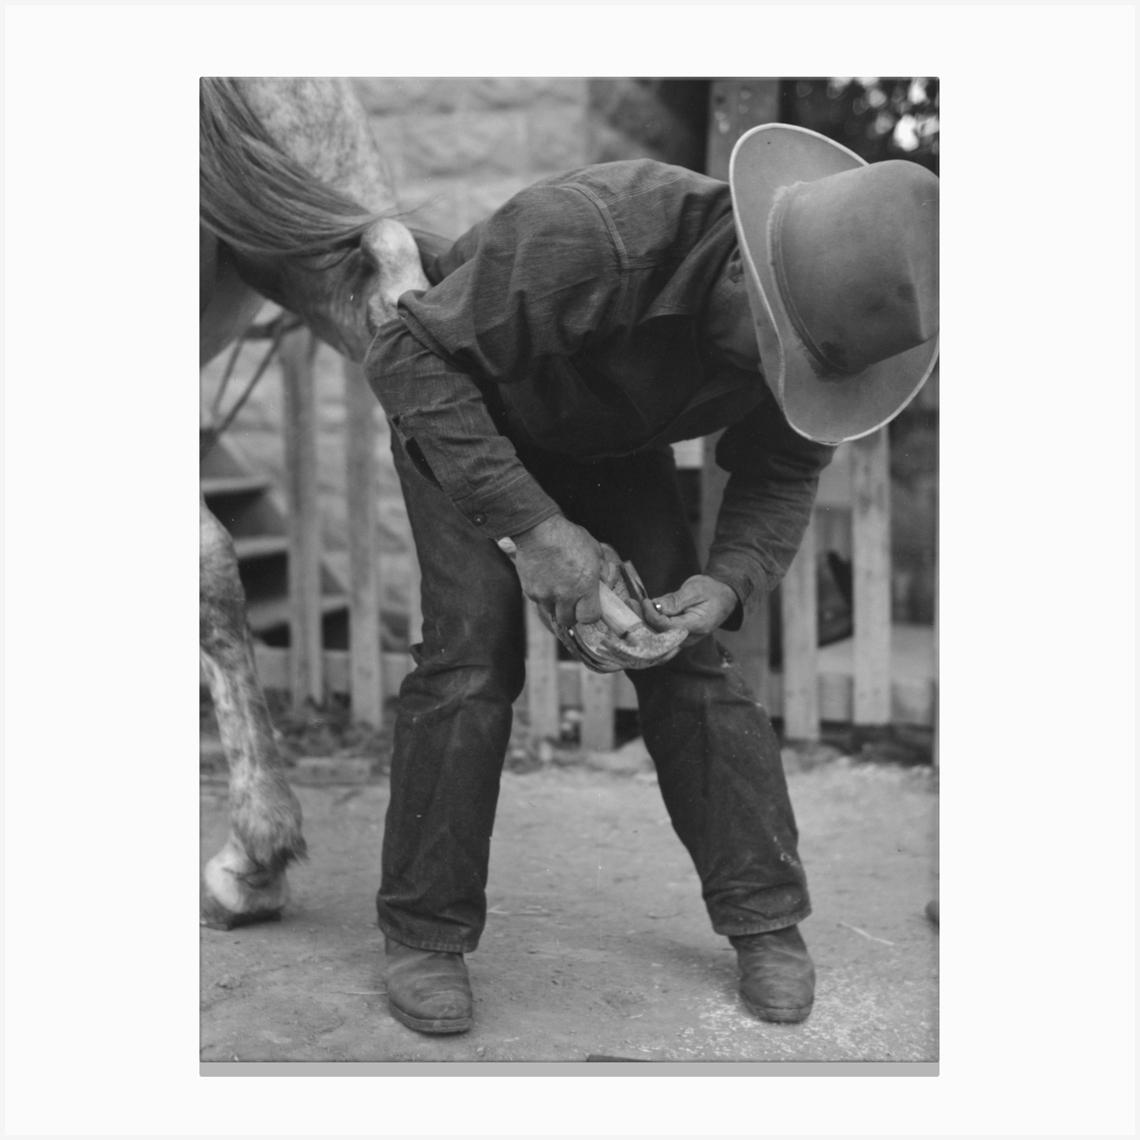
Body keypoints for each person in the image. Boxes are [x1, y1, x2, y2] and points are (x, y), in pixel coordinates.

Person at [364, 124, 939, 1035]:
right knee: (470, 662)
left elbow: (783, 469)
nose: (777, 380)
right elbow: (405, 359)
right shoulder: (592, 234)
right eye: (773, 353)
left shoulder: (829, 325)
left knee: (691, 661)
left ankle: (766, 921)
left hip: (606, 440)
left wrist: (726, 584)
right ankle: (425, 933)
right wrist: (538, 531)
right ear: (749, 272)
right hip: (463, 411)